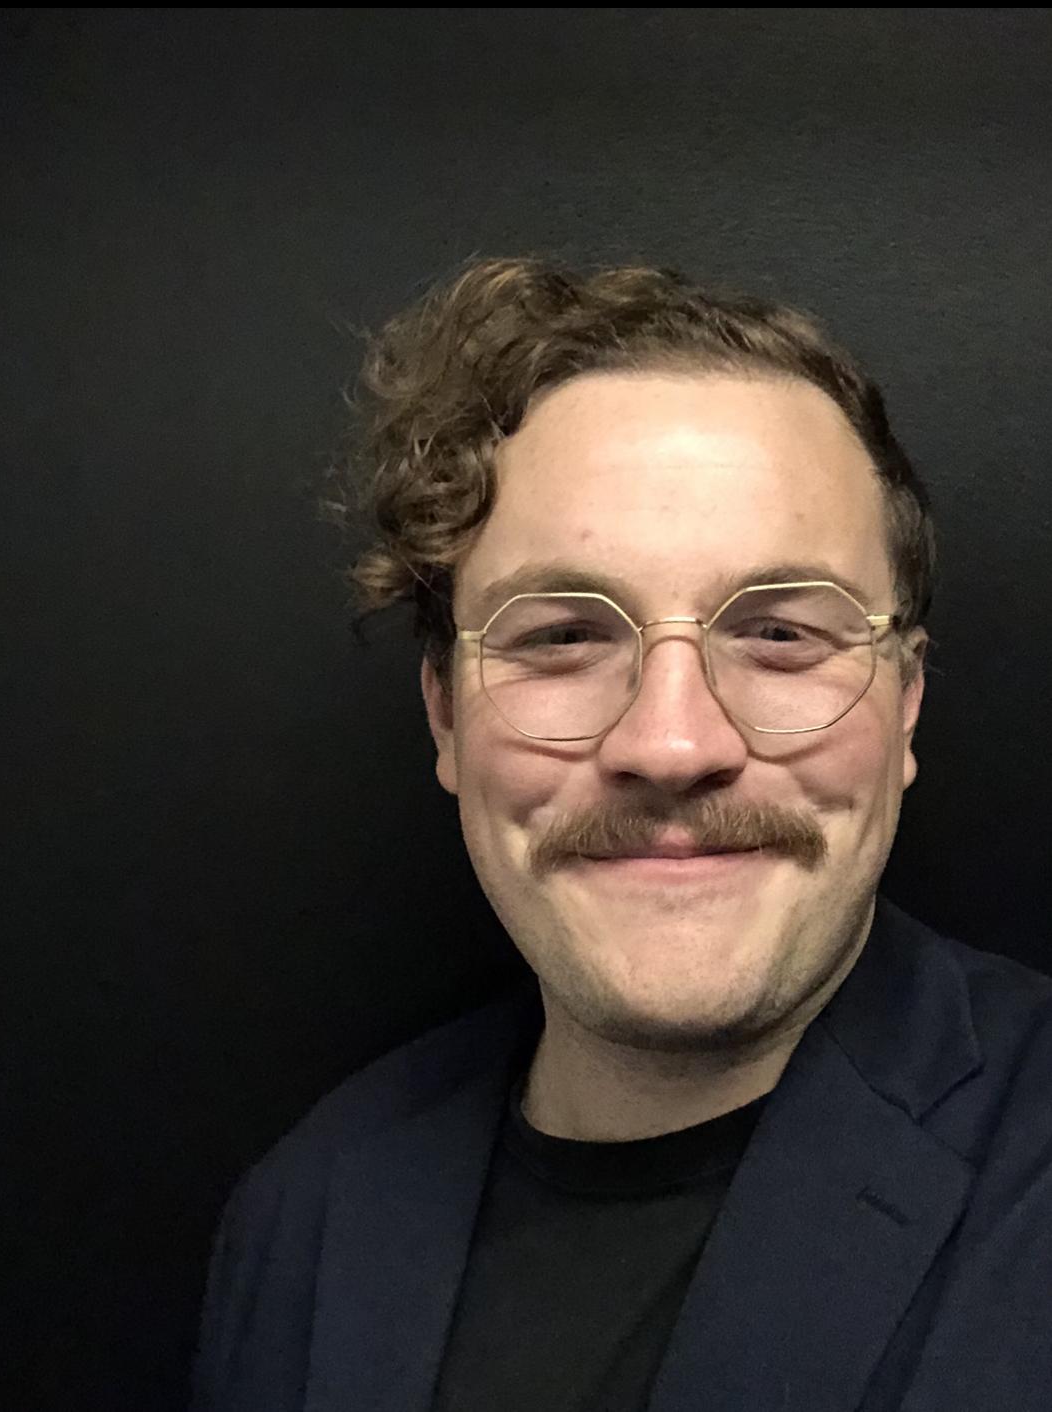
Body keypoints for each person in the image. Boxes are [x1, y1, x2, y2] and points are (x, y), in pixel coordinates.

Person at [190, 258, 1052, 1412]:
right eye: (558, 635)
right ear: (446, 711)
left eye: (783, 630)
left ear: (904, 703)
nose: (673, 741)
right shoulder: (307, 1217)